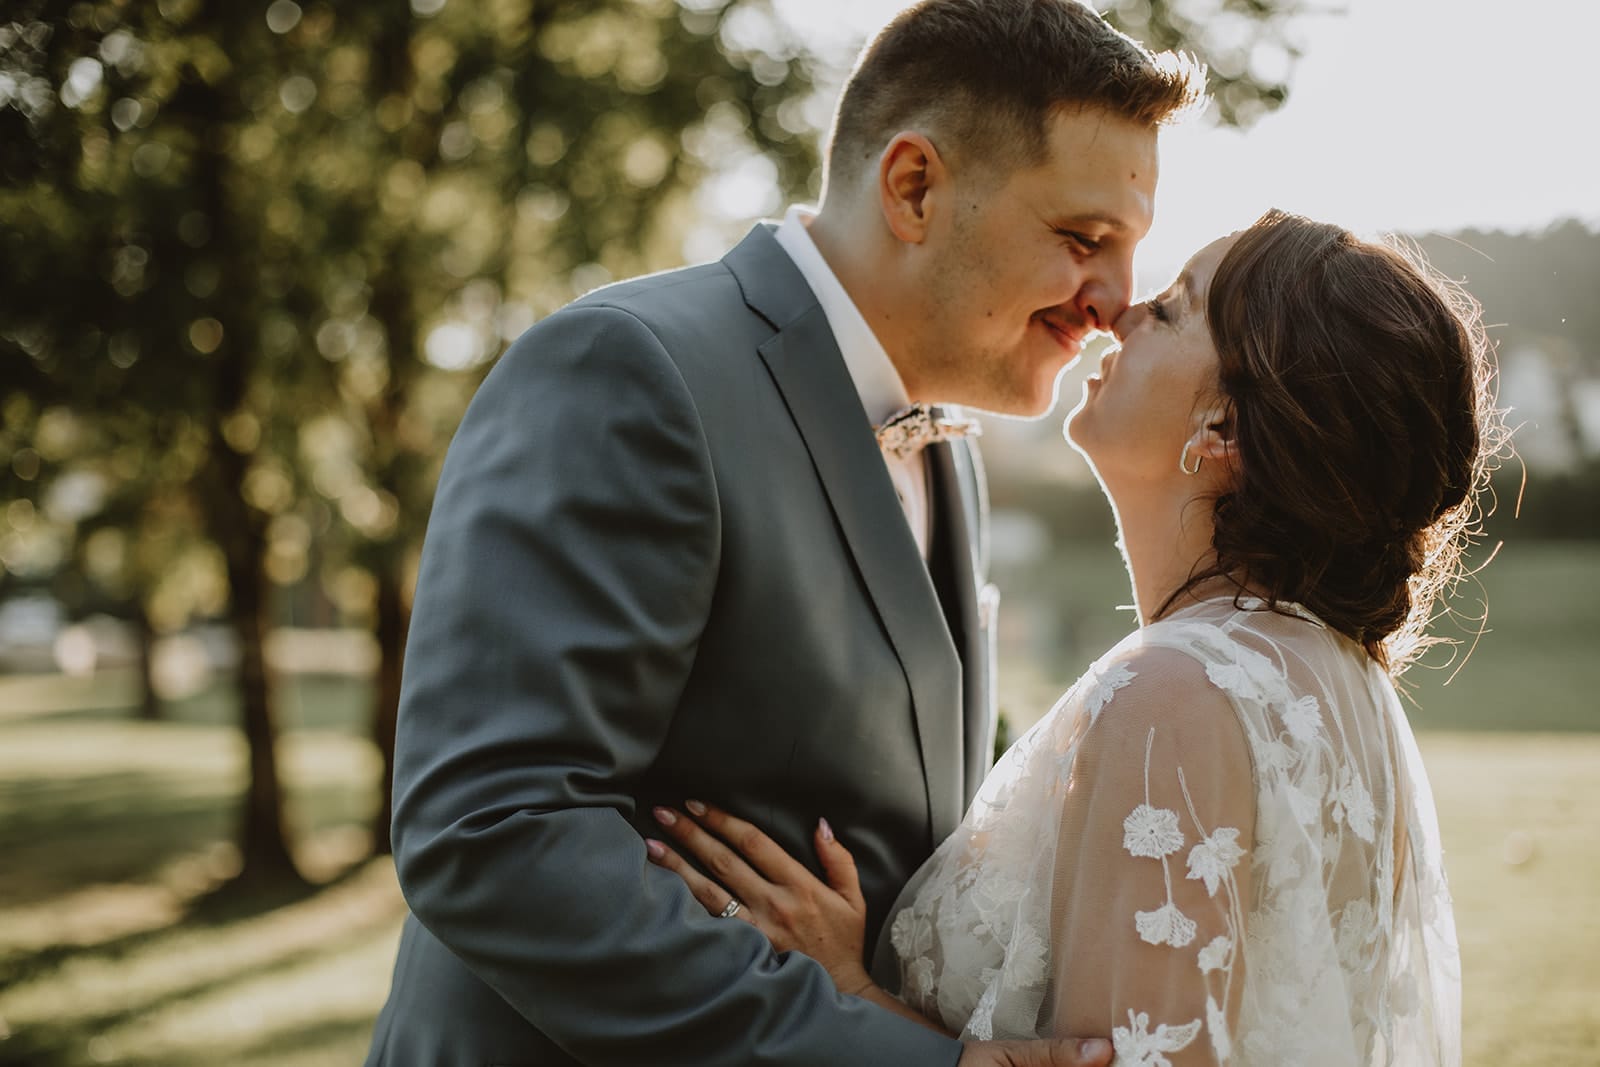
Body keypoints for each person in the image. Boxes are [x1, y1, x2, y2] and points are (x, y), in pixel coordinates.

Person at [362, 2, 1203, 1065]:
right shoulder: (634, 372)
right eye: (1083, 240)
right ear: (913, 188)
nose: (1114, 304)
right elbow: (490, 830)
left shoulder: (949, 446)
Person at [648, 210, 1503, 1065]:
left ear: (1223, 429)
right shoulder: (1337, 683)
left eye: (1171, 309)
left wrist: (852, 990)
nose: (1123, 313)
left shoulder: (1178, 691)